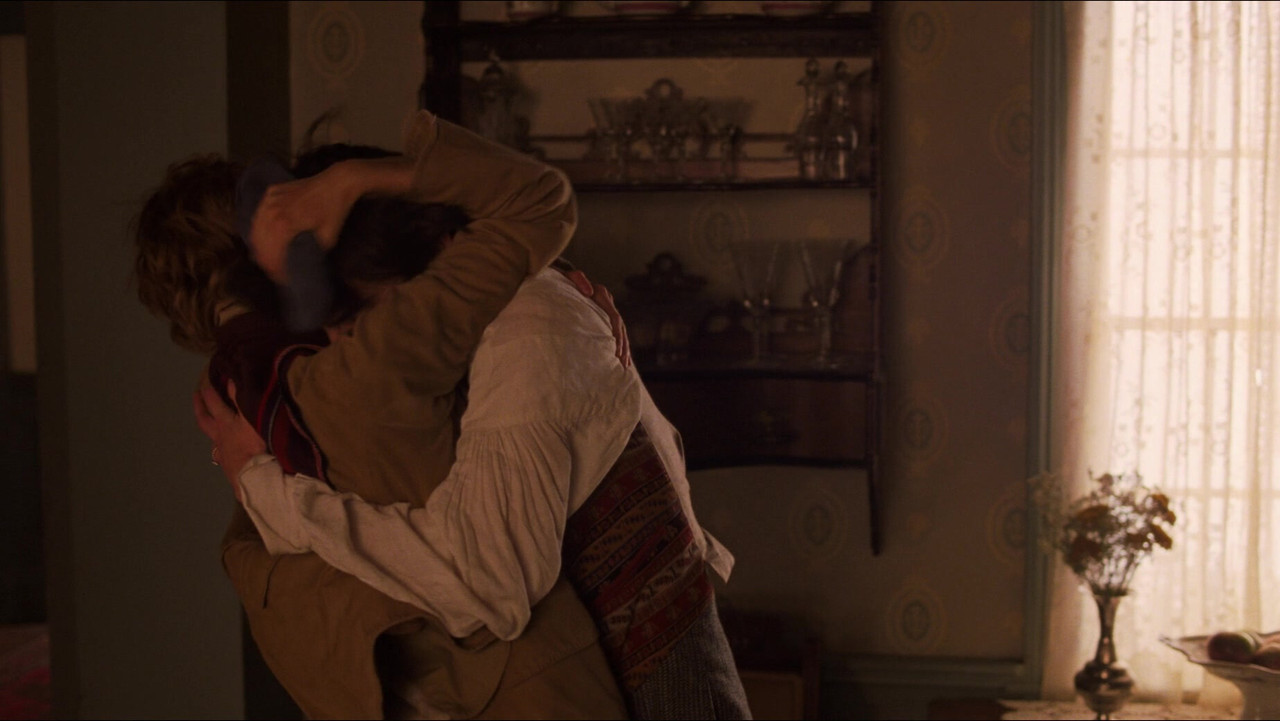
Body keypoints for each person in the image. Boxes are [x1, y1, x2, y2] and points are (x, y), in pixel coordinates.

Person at [135, 110, 629, 719]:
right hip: (507, 681)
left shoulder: (243, 403)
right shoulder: (363, 361)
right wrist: (353, 179)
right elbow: (535, 202)